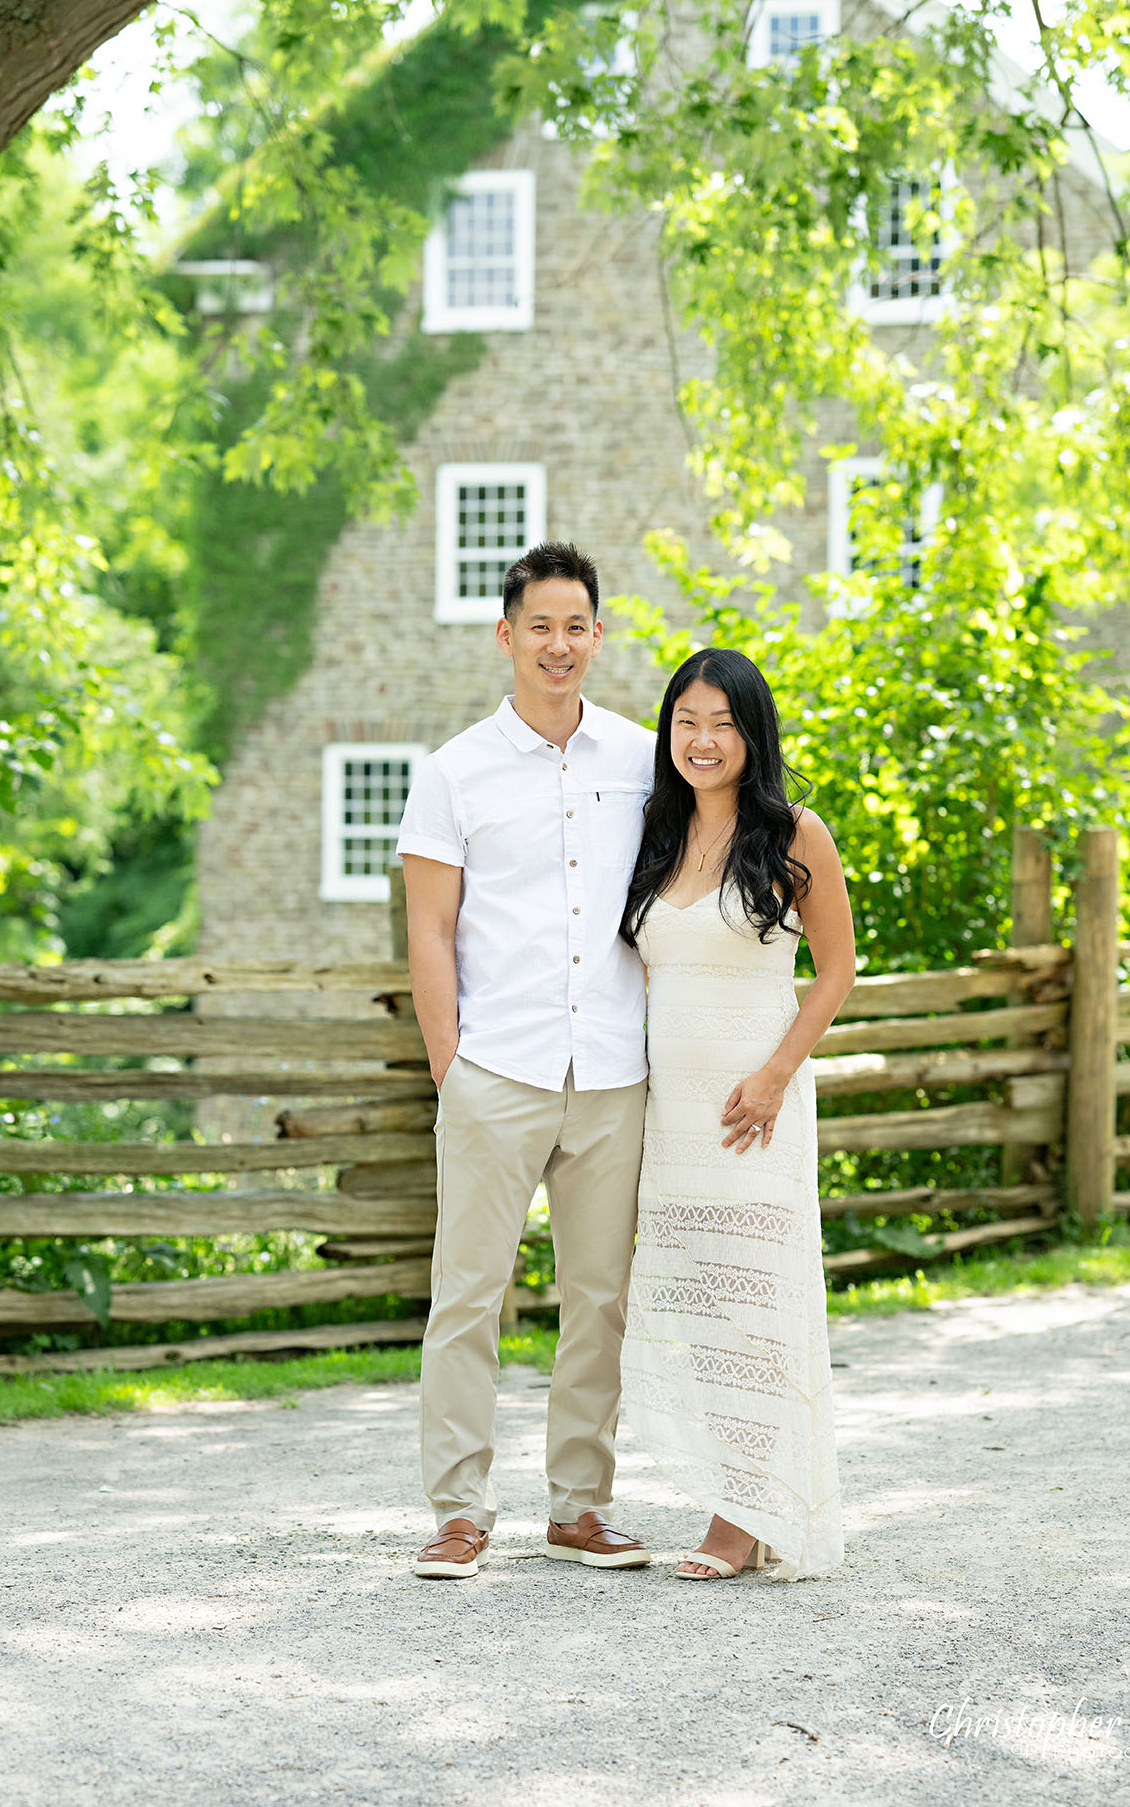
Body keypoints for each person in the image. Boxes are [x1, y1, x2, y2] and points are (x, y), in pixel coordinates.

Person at [398, 541, 655, 1579]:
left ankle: (578, 1506)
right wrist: (448, 1064)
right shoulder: (450, 772)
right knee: (466, 1295)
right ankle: (459, 1510)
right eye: (538, 626)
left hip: (609, 1072)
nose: (558, 644)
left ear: (598, 635)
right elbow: (427, 931)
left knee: (600, 1298)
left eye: (575, 625)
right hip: (495, 1070)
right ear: (506, 637)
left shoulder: (643, 759)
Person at [619, 646, 855, 1581]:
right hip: (672, 1116)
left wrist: (774, 1075)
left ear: (753, 733)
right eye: (687, 721)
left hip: (754, 1107)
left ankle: (740, 1516)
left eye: (723, 723)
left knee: (756, 1304)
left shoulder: (798, 834)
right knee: (707, 1306)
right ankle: (744, 1495)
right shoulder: (656, 835)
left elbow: (834, 970)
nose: (703, 740)